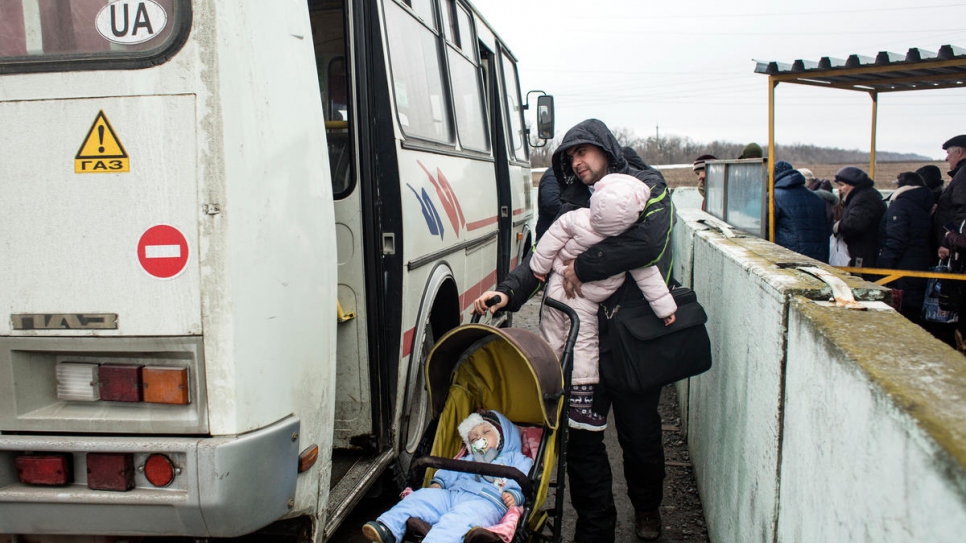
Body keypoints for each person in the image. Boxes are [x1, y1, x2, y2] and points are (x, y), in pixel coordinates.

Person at [473, 118, 673, 542]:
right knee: (582, 441)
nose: (576, 162)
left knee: (640, 436)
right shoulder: (570, 199)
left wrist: (582, 266)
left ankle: (647, 506)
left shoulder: (646, 185)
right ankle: (594, 529)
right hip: (580, 341)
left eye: (583, 151)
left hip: (635, 339)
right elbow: (543, 255)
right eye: (570, 156)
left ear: (604, 148)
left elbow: (648, 245)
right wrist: (508, 292)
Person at [530, 173, 676, 431]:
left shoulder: (576, 218)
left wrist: (539, 268)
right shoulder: (627, 241)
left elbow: (549, 241)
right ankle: (579, 406)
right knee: (584, 346)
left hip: (556, 289)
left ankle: (541, 395)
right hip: (585, 300)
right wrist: (666, 309)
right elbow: (648, 275)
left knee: (550, 341)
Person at [362, 411, 532, 543]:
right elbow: (450, 470)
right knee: (420, 498)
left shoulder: (514, 458)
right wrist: (439, 483)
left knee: (457, 519)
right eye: (473, 438)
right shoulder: (469, 458)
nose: (479, 437)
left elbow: (523, 476)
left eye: (486, 432)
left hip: (487, 502)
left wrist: (514, 494)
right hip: (453, 494)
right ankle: (389, 529)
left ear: (503, 437)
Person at [878, 172, 934, 323]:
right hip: (919, 266)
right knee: (914, 312)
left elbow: (896, 240)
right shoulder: (922, 205)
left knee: (903, 314)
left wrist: (883, 267)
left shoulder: (901, 205)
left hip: (901, 269)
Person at [772, 161, 830, 262]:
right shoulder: (817, 199)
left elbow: (767, 231)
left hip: (789, 260)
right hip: (817, 260)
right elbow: (825, 232)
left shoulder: (774, 197)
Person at [832, 166, 886, 269]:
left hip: (863, 254)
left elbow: (855, 224)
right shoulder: (865, 195)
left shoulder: (864, 198)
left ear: (852, 184)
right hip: (864, 251)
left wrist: (838, 226)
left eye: (842, 185)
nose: (839, 189)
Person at [535, 168, 562, 241]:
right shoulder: (552, 176)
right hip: (550, 235)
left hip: (556, 234)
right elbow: (551, 204)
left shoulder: (565, 175)